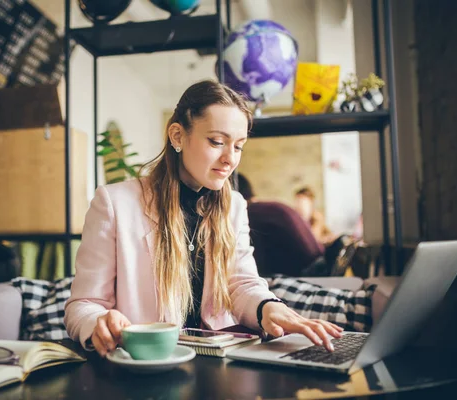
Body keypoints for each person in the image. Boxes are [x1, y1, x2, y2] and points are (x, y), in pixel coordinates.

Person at [64, 80, 343, 358]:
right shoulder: (115, 204)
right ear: (177, 136)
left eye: (238, 146)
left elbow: (241, 283)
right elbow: (83, 305)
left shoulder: (233, 205)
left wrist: (267, 307)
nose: (230, 159)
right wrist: (98, 322)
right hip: (146, 364)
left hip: (219, 363)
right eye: (217, 142)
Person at [236, 174, 325, 276]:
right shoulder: (269, 207)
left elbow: (255, 265)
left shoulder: (251, 214)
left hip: (310, 271)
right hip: (320, 262)